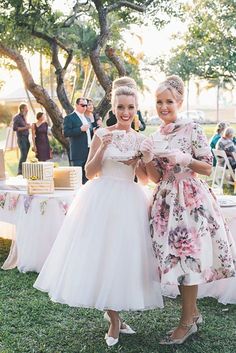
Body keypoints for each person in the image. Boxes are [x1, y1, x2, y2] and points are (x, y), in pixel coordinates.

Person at [34, 77, 163, 347]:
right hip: (101, 197)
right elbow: (90, 173)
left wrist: (142, 159)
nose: (125, 113)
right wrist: (103, 146)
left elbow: (144, 179)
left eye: (130, 107)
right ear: (113, 108)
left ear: (136, 108)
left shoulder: (141, 140)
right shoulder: (101, 133)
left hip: (129, 201)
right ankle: (114, 318)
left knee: (121, 257)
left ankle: (114, 310)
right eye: (120, 108)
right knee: (101, 255)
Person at [140, 75, 236, 345]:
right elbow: (155, 177)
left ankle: (186, 323)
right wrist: (148, 159)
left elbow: (207, 167)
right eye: (159, 102)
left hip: (190, 200)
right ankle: (192, 314)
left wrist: (185, 159)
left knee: (187, 258)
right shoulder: (156, 134)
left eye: (169, 101)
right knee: (175, 259)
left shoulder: (192, 128)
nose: (163, 107)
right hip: (165, 201)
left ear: (179, 101)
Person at [63, 97, 91, 184]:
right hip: (78, 152)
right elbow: (66, 133)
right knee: (78, 178)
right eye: (82, 105)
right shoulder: (69, 118)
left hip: (89, 150)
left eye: (86, 105)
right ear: (76, 105)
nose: (85, 107)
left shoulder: (87, 118)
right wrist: (80, 129)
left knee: (87, 177)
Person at [13, 103, 31, 175]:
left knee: (25, 154)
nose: (27, 110)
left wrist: (27, 125)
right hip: (21, 138)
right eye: (26, 108)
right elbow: (15, 128)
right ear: (22, 109)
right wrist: (26, 127)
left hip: (26, 138)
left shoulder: (24, 117)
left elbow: (24, 126)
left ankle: (23, 170)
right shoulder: (17, 117)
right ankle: (20, 172)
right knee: (23, 154)